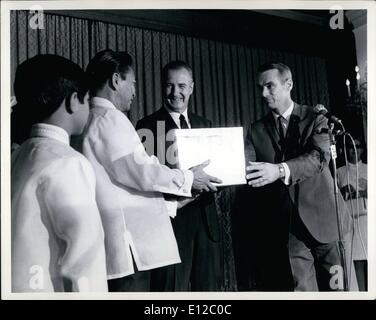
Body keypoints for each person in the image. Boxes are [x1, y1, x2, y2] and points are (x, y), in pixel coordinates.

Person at [78, 50, 220, 292]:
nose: (134, 91)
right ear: (115, 81)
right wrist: (188, 178)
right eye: (132, 84)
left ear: (193, 87)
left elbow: (120, 190)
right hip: (134, 243)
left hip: (144, 229)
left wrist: (176, 203)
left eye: (183, 85)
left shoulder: (89, 118)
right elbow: (141, 171)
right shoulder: (112, 119)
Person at [244, 62, 351, 291]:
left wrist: (279, 170)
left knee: (338, 289)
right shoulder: (255, 130)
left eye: (269, 86)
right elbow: (244, 167)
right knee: (301, 290)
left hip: (327, 222)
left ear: (288, 84)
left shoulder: (316, 118)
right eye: (260, 88)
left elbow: (317, 158)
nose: (263, 93)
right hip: (289, 230)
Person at [11, 54, 108, 292]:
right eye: (88, 100)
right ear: (74, 101)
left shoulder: (16, 156)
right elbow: (85, 261)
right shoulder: (69, 163)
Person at [136, 61, 223, 291]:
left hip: (206, 224)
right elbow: (148, 179)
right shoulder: (146, 126)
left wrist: (225, 175)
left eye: (182, 86)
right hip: (172, 226)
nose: (176, 93)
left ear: (192, 87)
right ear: (161, 87)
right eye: (169, 86)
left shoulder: (205, 124)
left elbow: (217, 172)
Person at [338, 138, 367, 291]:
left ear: (362, 149)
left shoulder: (370, 169)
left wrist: (366, 191)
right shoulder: (339, 172)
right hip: (351, 223)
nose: (353, 150)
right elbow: (334, 199)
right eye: (350, 147)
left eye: (357, 146)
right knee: (356, 263)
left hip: (369, 221)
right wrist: (343, 192)